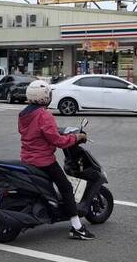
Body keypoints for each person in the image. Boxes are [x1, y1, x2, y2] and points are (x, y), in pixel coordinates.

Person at [18, 80, 95, 240]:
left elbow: (32, 133)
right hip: (43, 161)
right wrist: (77, 137)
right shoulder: (44, 115)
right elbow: (58, 141)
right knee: (66, 187)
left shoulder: (24, 114)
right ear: (45, 97)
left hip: (27, 158)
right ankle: (77, 227)